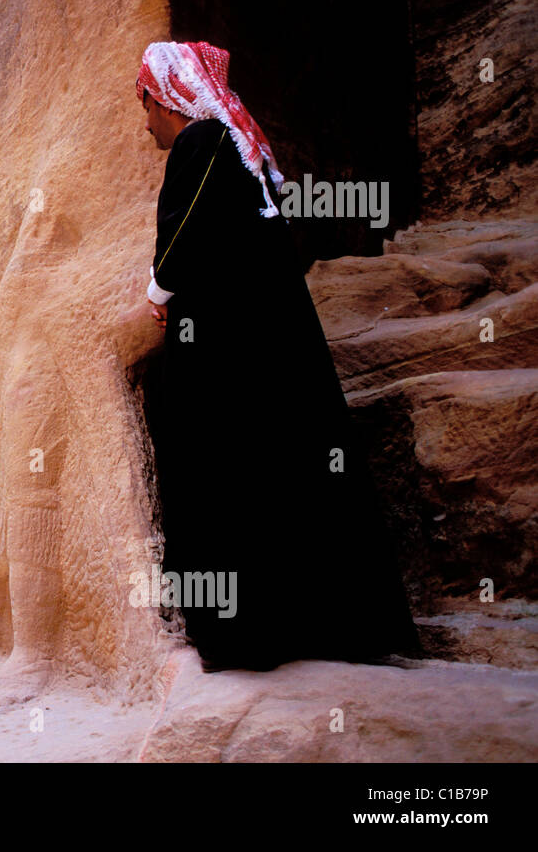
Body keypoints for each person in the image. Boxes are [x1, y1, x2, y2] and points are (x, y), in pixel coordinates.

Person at [135, 40, 420, 671]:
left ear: (165, 98)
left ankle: (243, 637)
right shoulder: (239, 148)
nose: (145, 120)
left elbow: (182, 236)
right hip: (266, 340)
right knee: (281, 471)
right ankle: (316, 625)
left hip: (223, 346)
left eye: (145, 103)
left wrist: (157, 290)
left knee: (219, 470)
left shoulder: (201, 144)